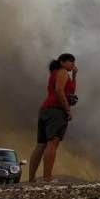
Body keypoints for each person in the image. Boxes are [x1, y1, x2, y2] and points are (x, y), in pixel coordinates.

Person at [29, 53, 78, 182]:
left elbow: (71, 91)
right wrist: (67, 110)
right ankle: (47, 178)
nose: (73, 64)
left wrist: (74, 76)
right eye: (71, 61)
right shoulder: (62, 72)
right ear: (62, 62)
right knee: (53, 143)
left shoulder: (54, 73)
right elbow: (59, 90)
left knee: (41, 144)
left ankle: (32, 179)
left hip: (45, 110)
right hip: (56, 110)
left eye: (74, 62)